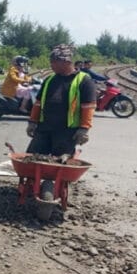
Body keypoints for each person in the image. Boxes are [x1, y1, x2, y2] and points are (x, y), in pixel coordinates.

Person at [26, 44, 96, 197]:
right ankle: (32, 187)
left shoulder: (84, 81)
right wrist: (32, 121)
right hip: (44, 129)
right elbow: (38, 103)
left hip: (67, 132)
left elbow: (88, 107)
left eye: (53, 62)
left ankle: (56, 190)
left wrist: (84, 128)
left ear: (65, 62)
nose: (51, 65)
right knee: (31, 159)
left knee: (61, 163)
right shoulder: (49, 80)